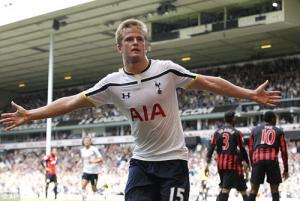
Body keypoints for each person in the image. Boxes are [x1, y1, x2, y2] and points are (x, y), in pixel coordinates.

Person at [0, 19, 281, 201]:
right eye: (129, 39)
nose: (135, 42)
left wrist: (249, 94)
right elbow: (71, 102)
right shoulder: (111, 83)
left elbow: (209, 83)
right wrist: (31, 114)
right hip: (142, 164)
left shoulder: (166, 70)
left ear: (145, 44)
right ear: (118, 47)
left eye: (139, 39)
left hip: (173, 163)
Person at [205, 111, 250, 201]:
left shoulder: (216, 133)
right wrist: (247, 162)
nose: (235, 119)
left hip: (221, 165)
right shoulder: (237, 133)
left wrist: (207, 165)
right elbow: (242, 149)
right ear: (232, 119)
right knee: (225, 189)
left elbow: (211, 149)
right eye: (234, 118)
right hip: (231, 165)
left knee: (242, 190)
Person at [248, 111, 288, 201]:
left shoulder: (254, 130)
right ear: (273, 119)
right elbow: (284, 151)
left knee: (254, 190)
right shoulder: (279, 131)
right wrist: (286, 169)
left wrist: (252, 164)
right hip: (272, 160)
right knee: (274, 190)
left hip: (258, 160)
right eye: (276, 119)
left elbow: (251, 149)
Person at [80, 136, 102, 201]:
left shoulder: (94, 149)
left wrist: (93, 161)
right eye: (85, 141)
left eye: (88, 141)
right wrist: (79, 163)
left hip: (94, 172)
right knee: (83, 186)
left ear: (90, 142)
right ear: (83, 142)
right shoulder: (82, 150)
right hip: (86, 171)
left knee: (94, 189)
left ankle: (103, 189)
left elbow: (101, 159)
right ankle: (84, 198)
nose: (86, 142)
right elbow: (83, 159)